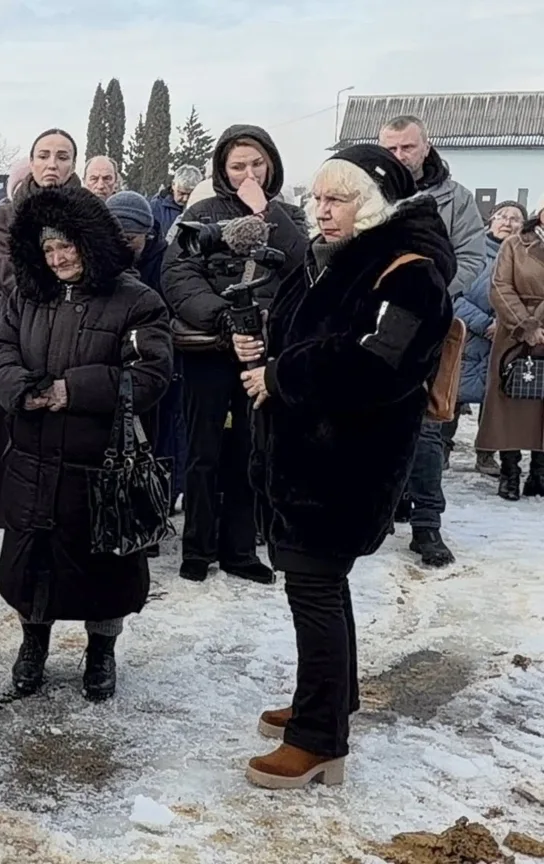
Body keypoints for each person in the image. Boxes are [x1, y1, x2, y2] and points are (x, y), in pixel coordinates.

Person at [232, 146, 454, 789]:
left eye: (339, 201)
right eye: (319, 200)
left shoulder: (408, 272)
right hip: (310, 460)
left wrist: (282, 374)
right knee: (322, 587)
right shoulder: (344, 257)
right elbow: (318, 332)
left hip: (345, 467)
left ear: (375, 204)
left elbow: (377, 365)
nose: (322, 212)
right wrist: (263, 345)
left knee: (315, 592)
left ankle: (318, 738)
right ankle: (329, 700)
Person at [0, 185, 172, 702]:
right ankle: (33, 645)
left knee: (104, 569)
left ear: (90, 242)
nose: (58, 257)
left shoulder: (137, 300)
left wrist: (74, 389)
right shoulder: (28, 293)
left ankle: (101, 652)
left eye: (67, 245)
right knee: (31, 567)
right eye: (47, 249)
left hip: (100, 469)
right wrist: (19, 388)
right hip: (32, 459)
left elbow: (152, 374)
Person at [161, 125, 308, 584]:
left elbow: (302, 266)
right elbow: (179, 275)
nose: (249, 173)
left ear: (271, 165)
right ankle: (198, 548)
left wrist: (266, 212)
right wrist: (225, 318)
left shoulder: (288, 216)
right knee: (203, 451)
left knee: (251, 448)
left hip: (263, 353)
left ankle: (240, 549)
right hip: (210, 348)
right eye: (238, 166)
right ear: (223, 169)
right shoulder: (201, 212)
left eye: (257, 164)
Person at [378, 115, 487, 567]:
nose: (399, 157)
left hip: (429, 322)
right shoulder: (370, 189)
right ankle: (382, 508)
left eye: (407, 147)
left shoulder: (455, 199)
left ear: (426, 147)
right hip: (376, 320)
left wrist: (432, 294)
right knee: (374, 420)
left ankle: (427, 524)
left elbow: (472, 257)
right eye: (392, 149)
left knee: (425, 425)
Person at [0, 129, 81, 532]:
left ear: (74, 163)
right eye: (44, 155)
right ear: (32, 161)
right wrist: (64, 284)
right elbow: (6, 273)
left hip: (79, 334)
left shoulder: (87, 210)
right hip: (23, 332)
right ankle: (17, 524)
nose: (53, 164)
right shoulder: (6, 215)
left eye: (62, 156)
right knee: (20, 433)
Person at [109, 190, 185, 511]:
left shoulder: (168, 261)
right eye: (118, 237)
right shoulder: (102, 261)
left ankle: (157, 505)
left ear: (148, 234)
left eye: (132, 238)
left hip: (159, 366)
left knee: (160, 440)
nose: (125, 245)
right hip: (114, 366)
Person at [477, 200, 544, 500]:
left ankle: (539, 473)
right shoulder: (516, 244)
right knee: (509, 400)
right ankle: (510, 471)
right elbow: (500, 285)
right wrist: (526, 325)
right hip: (514, 332)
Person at [456, 202, 527, 477]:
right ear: (490, 221)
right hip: (468, 335)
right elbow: (453, 295)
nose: (508, 223)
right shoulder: (470, 253)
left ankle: (485, 455)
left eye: (516, 219)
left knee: (497, 397)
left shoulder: (528, 258)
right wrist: (483, 323)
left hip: (509, 339)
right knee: (454, 392)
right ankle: (442, 449)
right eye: (502, 216)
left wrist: (510, 322)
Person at [152, 165, 202, 240]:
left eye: (190, 194)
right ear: (173, 185)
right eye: (181, 193)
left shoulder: (203, 207)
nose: (185, 199)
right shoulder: (156, 206)